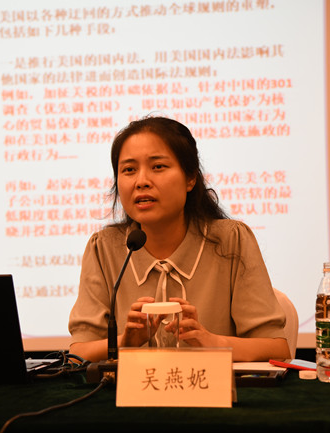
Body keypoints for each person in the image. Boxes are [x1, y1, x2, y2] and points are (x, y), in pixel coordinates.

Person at [68, 115, 290, 363]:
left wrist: (210, 341)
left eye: (158, 167)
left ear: (190, 178)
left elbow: (277, 349)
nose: (141, 182)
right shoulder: (104, 248)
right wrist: (125, 342)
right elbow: (78, 353)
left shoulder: (232, 241)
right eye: (129, 170)